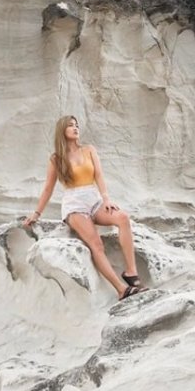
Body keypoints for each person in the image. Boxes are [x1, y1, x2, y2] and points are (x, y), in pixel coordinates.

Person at [24, 116, 148, 301]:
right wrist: (37, 213)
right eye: (70, 126)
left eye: (76, 125)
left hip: (94, 199)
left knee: (122, 218)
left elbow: (99, 175)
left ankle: (131, 273)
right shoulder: (56, 158)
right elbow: (48, 188)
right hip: (74, 204)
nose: (75, 128)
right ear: (62, 131)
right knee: (96, 244)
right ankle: (122, 289)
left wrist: (106, 198)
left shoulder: (89, 150)